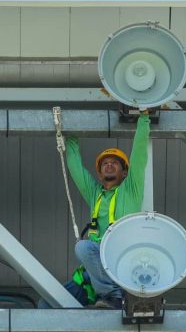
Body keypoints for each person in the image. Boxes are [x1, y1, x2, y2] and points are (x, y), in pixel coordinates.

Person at [64, 112, 151, 309]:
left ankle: (113, 296)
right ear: (100, 173)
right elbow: (76, 169)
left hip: (120, 255)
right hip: (97, 265)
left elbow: (139, 153)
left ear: (125, 172)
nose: (109, 165)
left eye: (115, 163)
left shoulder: (131, 189)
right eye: (105, 163)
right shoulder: (96, 194)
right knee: (47, 305)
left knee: (82, 247)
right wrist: (70, 135)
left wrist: (144, 118)